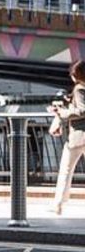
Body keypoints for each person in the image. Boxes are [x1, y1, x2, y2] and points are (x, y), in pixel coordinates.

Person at [50, 60, 85, 215]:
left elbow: (82, 111)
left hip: (78, 137)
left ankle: (58, 205)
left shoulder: (79, 88)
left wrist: (62, 113)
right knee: (66, 170)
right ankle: (58, 204)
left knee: (66, 170)